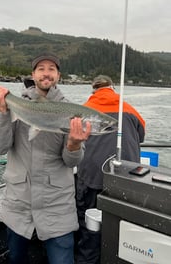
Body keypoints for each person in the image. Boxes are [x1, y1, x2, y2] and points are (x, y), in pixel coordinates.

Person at [0, 53, 91, 264]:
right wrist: (1, 112)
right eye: (41, 68)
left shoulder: (72, 112)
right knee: (16, 259)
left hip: (57, 207)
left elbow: (72, 162)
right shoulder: (15, 104)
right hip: (18, 205)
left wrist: (74, 144)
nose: (46, 73)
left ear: (58, 75)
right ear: (33, 74)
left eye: (51, 69)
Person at [75, 75, 145, 264]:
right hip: (126, 181)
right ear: (112, 88)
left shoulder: (82, 110)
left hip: (91, 178)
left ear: (94, 90)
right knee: (121, 229)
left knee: (89, 229)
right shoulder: (129, 109)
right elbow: (142, 134)